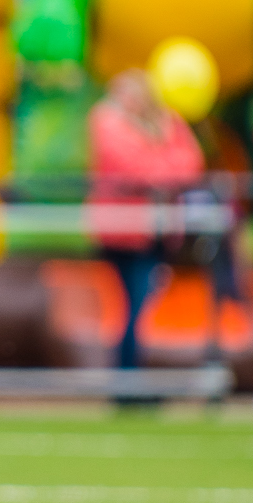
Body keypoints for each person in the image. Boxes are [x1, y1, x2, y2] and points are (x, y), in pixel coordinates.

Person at [87, 68, 205, 371]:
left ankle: (132, 376)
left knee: (142, 306)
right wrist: (164, 157)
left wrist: (162, 154)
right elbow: (136, 170)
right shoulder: (107, 121)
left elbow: (192, 163)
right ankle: (127, 378)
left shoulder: (166, 121)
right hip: (121, 234)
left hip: (156, 232)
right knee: (132, 307)